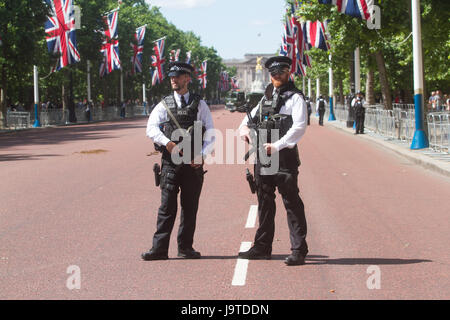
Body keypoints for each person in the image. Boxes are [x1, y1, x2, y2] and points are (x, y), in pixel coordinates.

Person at [238, 56, 309, 266]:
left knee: (291, 202)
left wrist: (276, 146)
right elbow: (247, 120)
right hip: (263, 156)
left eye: (280, 72)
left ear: (288, 73)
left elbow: (299, 127)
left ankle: (299, 249)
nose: (276, 76)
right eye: (273, 73)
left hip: (284, 157)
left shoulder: (295, 98)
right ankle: (262, 247)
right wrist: (244, 131)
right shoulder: (266, 97)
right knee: (264, 202)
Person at [142, 62, 215, 261]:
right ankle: (159, 249)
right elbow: (151, 129)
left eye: (178, 76)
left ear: (187, 79)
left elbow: (210, 133)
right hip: (170, 164)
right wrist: (168, 143)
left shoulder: (200, 105)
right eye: (172, 76)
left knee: (190, 208)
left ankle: (185, 247)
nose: (173, 79)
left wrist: (202, 155)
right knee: (166, 208)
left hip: (193, 164)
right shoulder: (163, 104)